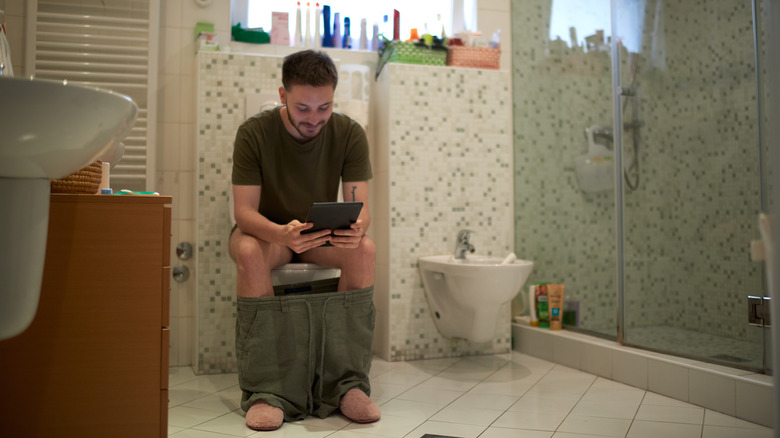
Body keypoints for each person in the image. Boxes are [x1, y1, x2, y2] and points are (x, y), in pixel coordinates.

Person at [228, 50, 380, 431]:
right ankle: (266, 391)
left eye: (324, 107)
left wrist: (357, 227)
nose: (314, 118)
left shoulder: (349, 133)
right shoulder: (254, 133)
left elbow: (360, 206)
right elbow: (244, 213)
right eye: (303, 108)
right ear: (283, 95)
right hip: (270, 234)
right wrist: (281, 233)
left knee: (365, 249)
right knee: (248, 252)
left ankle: (347, 385)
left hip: (318, 235)